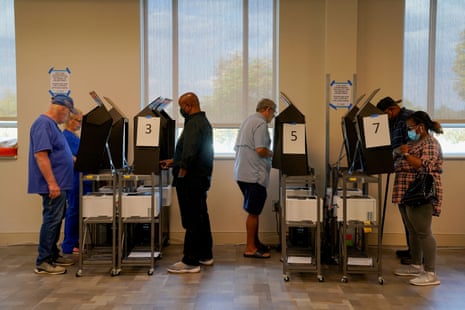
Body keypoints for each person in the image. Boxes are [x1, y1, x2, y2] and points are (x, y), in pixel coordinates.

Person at [160, 92, 214, 273]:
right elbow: (194, 151)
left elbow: (190, 152)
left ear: (188, 106)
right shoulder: (203, 122)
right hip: (201, 178)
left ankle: (190, 261)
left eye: (181, 107)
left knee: (191, 219)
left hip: (190, 179)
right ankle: (205, 255)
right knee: (200, 216)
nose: (181, 111)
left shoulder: (193, 123)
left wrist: (181, 171)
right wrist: (174, 161)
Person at [28, 94, 77, 275]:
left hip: (60, 183)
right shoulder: (42, 124)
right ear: (62, 109)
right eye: (68, 113)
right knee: (51, 220)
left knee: (57, 219)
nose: (68, 118)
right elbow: (41, 155)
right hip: (53, 184)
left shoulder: (53, 126)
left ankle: (54, 255)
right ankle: (43, 261)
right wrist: (52, 183)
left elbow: (60, 153)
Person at [392, 111, 443, 286]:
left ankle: (430, 272)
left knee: (423, 231)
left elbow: (424, 165)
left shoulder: (430, 143)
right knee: (412, 229)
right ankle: (415, 264)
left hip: (420, 192)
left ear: (421, 127)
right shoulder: (414, 142)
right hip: (406, 191)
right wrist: (400, 152)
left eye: (411, 127)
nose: (409, 131)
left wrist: (405, 155)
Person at [234, 98, 276, 259]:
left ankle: (255, 242)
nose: (273, 117)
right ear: (267, 109)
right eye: (273, 112)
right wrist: (275, 154)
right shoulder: (261, 124)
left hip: (242, 173)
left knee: (253, 210)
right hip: (254, 175)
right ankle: (250, 248)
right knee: (253, 212)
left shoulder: (248, 120)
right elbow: (260, 149)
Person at [376, 96, 414, 264]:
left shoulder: (408, 119)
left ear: (391, 109)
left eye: (385, 114)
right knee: (405, 213)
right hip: (402, 169)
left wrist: (397, 152)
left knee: (412, 216)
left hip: (412, 173)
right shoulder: (396, 121)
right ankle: (412, 249)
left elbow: (413, 146)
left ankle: (416, 254)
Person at [61, 109, 83, 255]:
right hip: (74, 179)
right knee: (73, 211)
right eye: (79, 121)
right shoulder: (66, 137)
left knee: (77, 211)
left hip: (79, 177)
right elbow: (71, 158)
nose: (80, 124)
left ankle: (74, 242)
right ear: (71, 120)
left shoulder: (73, 136)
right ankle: (69, 244)